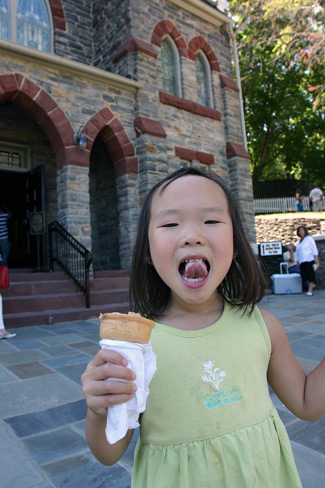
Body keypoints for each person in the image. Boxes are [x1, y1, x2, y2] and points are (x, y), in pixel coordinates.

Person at [81, 168, 325, 488]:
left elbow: (308, 403)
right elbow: (109, 453)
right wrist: (98, 411)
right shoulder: (137, 347)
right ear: (149, 253)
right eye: (170, 223)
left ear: (236, 245)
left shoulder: (263, 326)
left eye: (210, 221)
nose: (192, 235)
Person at [295, 225, 319, 296]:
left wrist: (316, 258)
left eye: (302, 230)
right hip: (302, 261)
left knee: (310, 275)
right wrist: (297, 261)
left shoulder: (309, 239)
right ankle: (312, 284)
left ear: (305, 231)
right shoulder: (299, 242)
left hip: (309, 259)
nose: (301, 232)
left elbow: (314, 248)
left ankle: (310, 290)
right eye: (300, 231)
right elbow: (297, 252)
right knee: (304, 276)